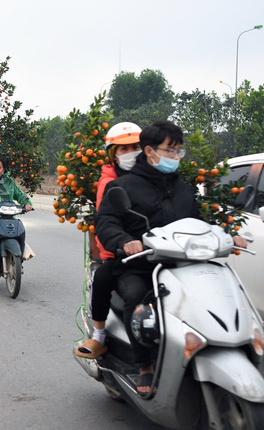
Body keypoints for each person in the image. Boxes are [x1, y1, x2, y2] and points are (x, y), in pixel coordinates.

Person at [95, 120, 247, 396]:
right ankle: (144, 365)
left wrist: (224, 235)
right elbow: (105, 221)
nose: (175, 157)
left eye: (178, 151)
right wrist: (124, 241)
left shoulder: (184, 190)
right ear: (150, 151)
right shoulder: (122, 186)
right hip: (140, 265)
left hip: (182, 263)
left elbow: (198, 223)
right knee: (137, 296)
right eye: (170, 150)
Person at [76, 122, 142, 360]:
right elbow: (106, 221)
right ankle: (100, 335)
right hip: (121, 250)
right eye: (123, 149)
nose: (130, 152)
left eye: (135, 147)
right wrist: (119, 245)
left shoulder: (152, 176)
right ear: (113, 154)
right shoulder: (109, 182)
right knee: (103, 277)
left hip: (155, 248)